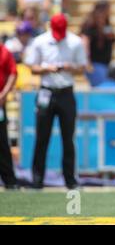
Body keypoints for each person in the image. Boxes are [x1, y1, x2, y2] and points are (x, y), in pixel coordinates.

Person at [24, 13, 87, 189]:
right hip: (46, 91)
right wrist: (46, 69)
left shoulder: (75, 42)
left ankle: (70, 181)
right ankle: (37, 180)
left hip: (66, 92)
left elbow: (82, 68)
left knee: (68, 138)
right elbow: (31, 66)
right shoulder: (40, 41)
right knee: (41, 137)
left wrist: (70, 67)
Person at [80, 0, 115, 87]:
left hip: (104, 64)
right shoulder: (90, 24)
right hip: (95, 64)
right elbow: (85, 42)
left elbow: (113, 37)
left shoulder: (106, 24)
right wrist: (87, 61)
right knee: (101, 88)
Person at [0, 42, 18, 189]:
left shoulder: (4, 52)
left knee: (2, 142)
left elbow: (13, 72)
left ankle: (9, 181)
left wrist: (3, 94)